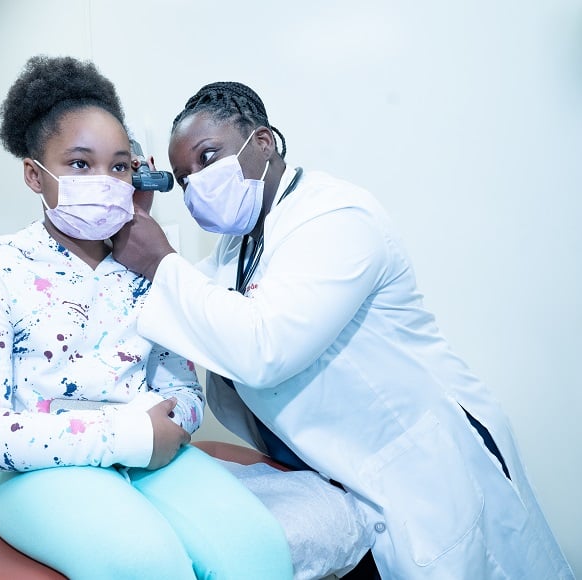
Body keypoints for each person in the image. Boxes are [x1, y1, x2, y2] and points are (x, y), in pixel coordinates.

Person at [111, 81, 574, 578]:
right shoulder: (238, 248)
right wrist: (135, 219)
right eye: (183, 178)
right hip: (350, 473)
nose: (197, 184)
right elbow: (191, 311)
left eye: (208, 157)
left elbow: (261, 350)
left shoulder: (336, 216)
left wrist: (161, 260)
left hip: (425, 464)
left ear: (262, 143)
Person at [0, 58, 294, 580]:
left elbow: (188, 394)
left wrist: (166, 427)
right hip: (32, 468)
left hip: (152, 454)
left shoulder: (146, 275)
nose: (105, 180)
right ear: (33, 174)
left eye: (120, 166)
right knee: (145, 564)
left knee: (260, 552)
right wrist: (127, 434)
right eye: (81, 164)